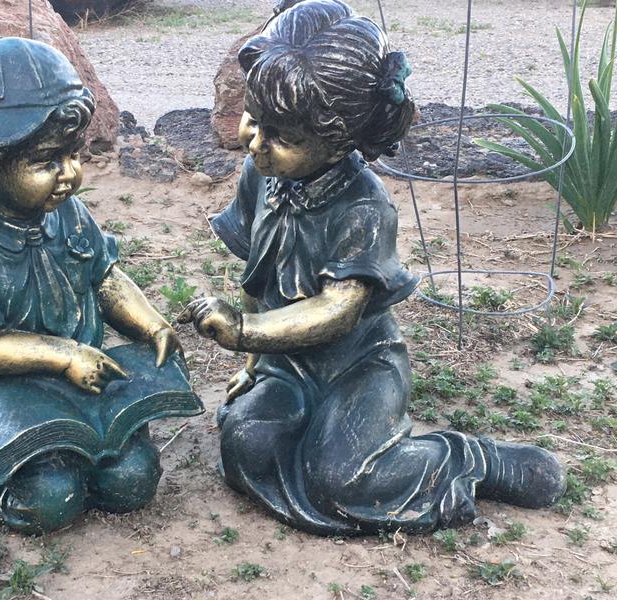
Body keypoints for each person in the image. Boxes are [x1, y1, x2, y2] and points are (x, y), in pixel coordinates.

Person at [179, 0, 566, 535]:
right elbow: (255, 272)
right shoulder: (260, 175)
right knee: (246, 444)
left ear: (339, 143)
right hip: (286, 363)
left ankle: (472, 461)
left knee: (341, 475)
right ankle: (311, 458)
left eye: (283, 138)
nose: (256, 142)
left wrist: (246, 332)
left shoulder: (363, 205)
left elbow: (339, 311)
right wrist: (251, 363)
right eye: (254, 119)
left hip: (358, 365)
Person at [0, 37, 189, 534]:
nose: (69, 173)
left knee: (132, 480)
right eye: (47, 161)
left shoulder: (68, 214)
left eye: (72, 154)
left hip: (86, 382)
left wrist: (150, 322)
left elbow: (105, 278)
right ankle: (9, 457)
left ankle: (98, 441)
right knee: (50, 500)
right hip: (14, 393)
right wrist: (62, 355)